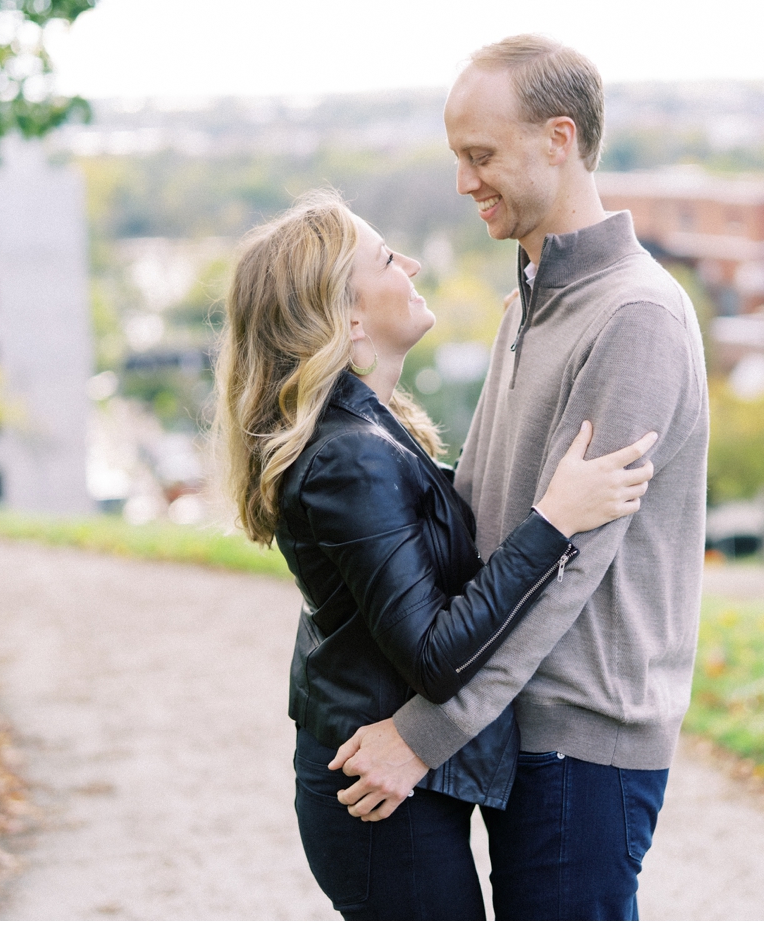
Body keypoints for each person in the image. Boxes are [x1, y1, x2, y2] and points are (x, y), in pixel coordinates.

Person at [329, 36, 711, 920]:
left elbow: (567, 569)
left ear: (559, 139)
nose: (465, 181)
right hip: (513, 728)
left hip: (582, 746)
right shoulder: (533, 302)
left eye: (481, 156)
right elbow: (486, 516)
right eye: (458, 157)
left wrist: (420, 739)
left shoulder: (635, 319)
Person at [215, 190, 659, 920]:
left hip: (394, 791)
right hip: (378, 806)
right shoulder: (349, 459)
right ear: (348, 318)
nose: (412, 263)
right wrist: (556, 520)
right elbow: (433, 652)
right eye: (388, 259)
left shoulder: (371, 433)